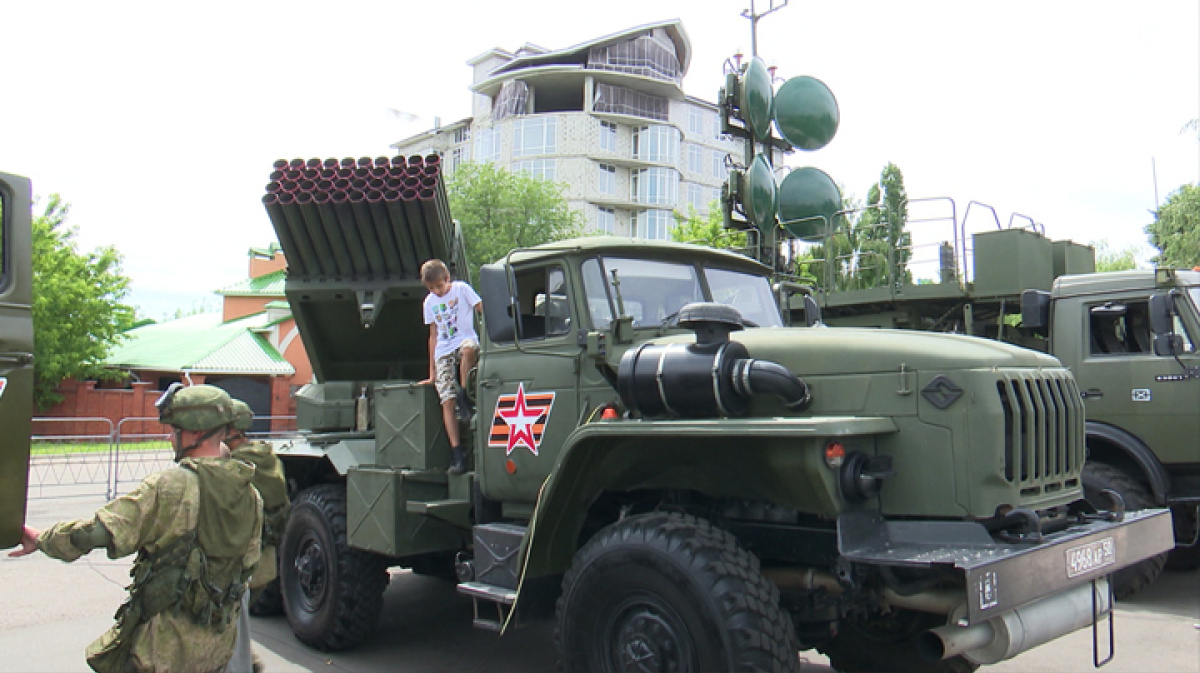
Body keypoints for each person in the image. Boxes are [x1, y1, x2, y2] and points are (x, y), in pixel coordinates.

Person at [9, 383, 263, 673]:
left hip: (164, 651)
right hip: (215, 651)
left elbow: (98, 532)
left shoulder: (172, 486)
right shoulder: (251, 495)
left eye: (174, 431)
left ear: (194, 434)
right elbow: (248, 565)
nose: (170, 437)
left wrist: (42, 538)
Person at [225, 399, 290, 673]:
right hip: (265, 559)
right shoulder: (264, 457)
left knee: (227, 624)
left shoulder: (239, 465)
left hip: (246, 561)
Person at [418, 258, 482, 475]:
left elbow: (481, 307)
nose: (436, 291)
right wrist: (432, 372)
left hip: (464, 339)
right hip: (444, 349)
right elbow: (433, 336)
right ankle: (457, 456)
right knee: (446, 400)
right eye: (431, 288)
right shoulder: (429, 303)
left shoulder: (462, 289)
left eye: (439, 286)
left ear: (447, 279)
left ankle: (464, 391)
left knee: (468, 351)